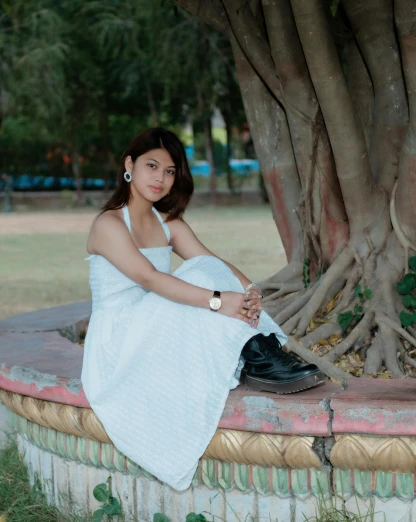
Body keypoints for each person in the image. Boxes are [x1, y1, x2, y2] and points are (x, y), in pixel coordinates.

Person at [81, 127, 325, 491]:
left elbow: (211, 261)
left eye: (169, 171)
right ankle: (259, 357)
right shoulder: (109, 223)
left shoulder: (168, 222)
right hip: (119, 339)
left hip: (153, 318)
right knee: (196, 280)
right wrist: (217, 300)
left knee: (202, 268)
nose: (160, 178)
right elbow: (149, 278)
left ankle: (259, 353)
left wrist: (249, 290)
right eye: (152, 166)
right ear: (129, 165)